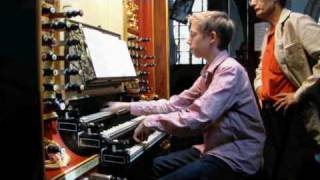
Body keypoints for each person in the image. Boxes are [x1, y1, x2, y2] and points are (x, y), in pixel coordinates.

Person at [103, 11, 265, 180]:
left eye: (192, 34)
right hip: (213, 148)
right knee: (144, 169)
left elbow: (198, 117)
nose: (188, 40)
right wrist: (129, 107)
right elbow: (175, 104)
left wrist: (152, 122)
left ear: (212, 37)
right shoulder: (209, 72)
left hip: (236, 156)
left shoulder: (230, 70)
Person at [250, 0, 320, 179]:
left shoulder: (298, 22)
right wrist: (260, 88)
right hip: (271, 114)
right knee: (273, 167)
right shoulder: (269, 32)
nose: (252, 3)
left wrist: (298, 94)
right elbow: (261, 68)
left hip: (294, 114)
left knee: (294, 170)